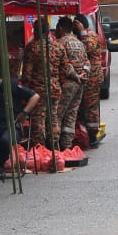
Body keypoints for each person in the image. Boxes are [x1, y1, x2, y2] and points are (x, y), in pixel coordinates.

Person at [0, 71, 38, 177]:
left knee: (5, 140)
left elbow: (35, 96)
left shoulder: (11, 86)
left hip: (12, 125)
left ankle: (0, 166)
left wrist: (24, 113)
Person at [20, 23, 63, 149]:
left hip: (38, 91)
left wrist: (25, 88)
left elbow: (26, 74)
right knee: (53, 117)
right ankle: (54, 146)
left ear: (36, 31)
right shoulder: (58, 46)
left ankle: (40, 149)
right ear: (48, 31)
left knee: (39, 120)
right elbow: (65, 70)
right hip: (55, 89)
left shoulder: (32, 47)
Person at [54, 17, 89, 150]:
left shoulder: (60, 43)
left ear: (61, 28)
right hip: (80, 84)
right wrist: (84, 75)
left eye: (57, 27)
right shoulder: (79, 43)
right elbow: (87, 61)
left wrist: (75, 76)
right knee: (71, 115)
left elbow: (64, 64)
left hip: (68, 83)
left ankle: (55, 147)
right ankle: (67, 147)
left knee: (58, 114)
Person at [74, 13, 106, 148]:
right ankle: (85, 132)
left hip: (93, 76)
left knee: (90, 106)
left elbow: (86, 48)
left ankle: (93, 135)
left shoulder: (90, 35)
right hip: (87, 76)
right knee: (84, 106)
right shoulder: (82, 36)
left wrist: (81, 32)